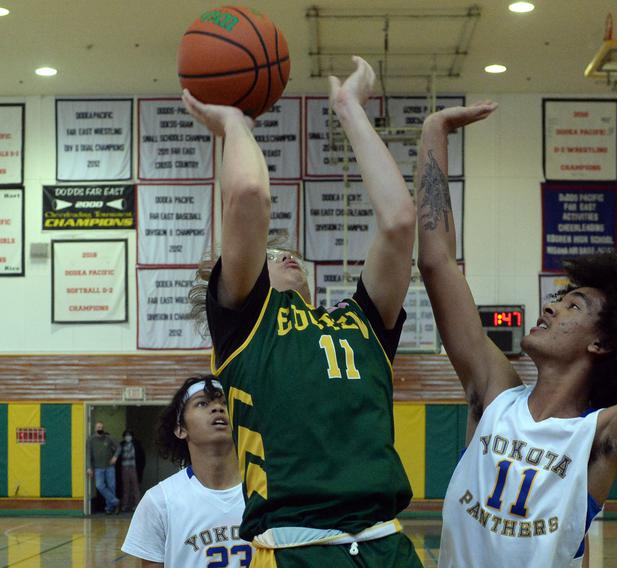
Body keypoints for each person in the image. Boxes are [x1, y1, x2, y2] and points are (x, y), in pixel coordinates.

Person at [414, 104, 617, 567]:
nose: (551, 306)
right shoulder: (494, 395)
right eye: (560, 298)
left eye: (573, 305)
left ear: (601, 343)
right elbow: (436, 261)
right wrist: (434, 129)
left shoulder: (600, 438)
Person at [184, 56, 421, 567]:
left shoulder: (360, 323)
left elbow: (400, 222)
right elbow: (249, 194)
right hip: (297, 548)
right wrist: (234, 123)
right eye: (268, 255)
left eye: (288, 252)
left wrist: (349, 108)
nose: (283, 255)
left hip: (386, 544)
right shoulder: (248, 330)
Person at [122, 376, 250, 567]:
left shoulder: (268, 491)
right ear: (180, 428)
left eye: (225, 403)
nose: (218, 408)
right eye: (203, 403)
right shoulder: (159, 501)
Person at [87, 421, 120, 514]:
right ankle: (115, 502)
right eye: (98, 427)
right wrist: (88, 467)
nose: (99, 429)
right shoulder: (90, 440)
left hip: (109, 467)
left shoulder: (109, 438)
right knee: (99, 486)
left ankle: (110, 508)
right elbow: (88, 454)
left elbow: (119, 447)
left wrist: (115, 456)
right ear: (95, 428)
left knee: (111, 487)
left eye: (101, 427)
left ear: (103, 428)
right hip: (98, 468)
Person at [118, 429, 146, 513]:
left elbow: (142, 457)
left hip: (134, 468)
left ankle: (137, 505)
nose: (128, 437)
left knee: (135, 487)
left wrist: (140, 468)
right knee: (126, 488)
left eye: (129, 435)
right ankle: (125, 506)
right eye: (126, 435)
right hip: (124, 468)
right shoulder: (121, 445)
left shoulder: (136, 445)